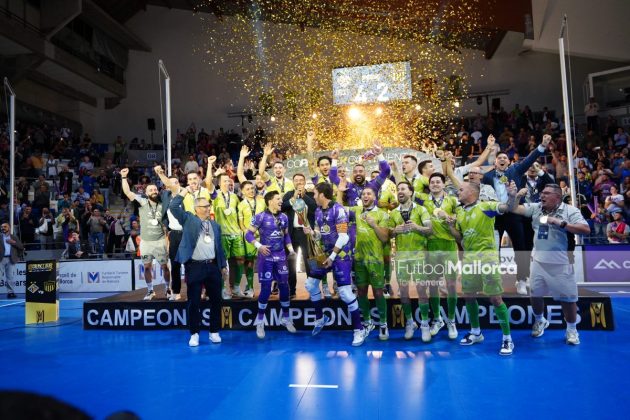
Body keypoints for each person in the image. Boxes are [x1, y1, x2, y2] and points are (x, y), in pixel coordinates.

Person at [508, 183, 591, 345]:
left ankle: (572, 329)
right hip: (538, 261)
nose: (542, 196)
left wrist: (560, 223)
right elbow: (513, 209)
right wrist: (515, 197)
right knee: (535, 295)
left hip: (561, 262)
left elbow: (585, 229)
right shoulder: (536, 207)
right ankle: (540, 320)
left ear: (557, 197)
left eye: (546, 193)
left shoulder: (570, 211)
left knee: (568, 299)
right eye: (542, 193)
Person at [446, 181, 515, 355]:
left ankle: (507, 338)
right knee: (468, 296)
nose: (458, 192)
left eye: (461, 189)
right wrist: (451, 227)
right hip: (469, 259)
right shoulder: (459, 211)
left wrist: (512, 196)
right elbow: (460, 238)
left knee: (495, 298)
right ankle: (476, 332)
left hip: (487, 258)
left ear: (472, 192)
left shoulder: (486, 206)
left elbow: (506, 207)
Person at [482, 133, 552, 295]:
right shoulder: (487, 177)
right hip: (495, 217)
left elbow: (529, 159)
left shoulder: (515, 170)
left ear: (509, 161)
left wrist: (542, 145)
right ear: (495, 162)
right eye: (499, 158)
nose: (502, 159)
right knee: (494, 251)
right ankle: (494, 280)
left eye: (505, 158)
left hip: (514, 214)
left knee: (521, 249)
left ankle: (521, 280)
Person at [303, 182, 368, 346]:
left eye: (315, 193)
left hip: (340, 255)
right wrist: (312, 232)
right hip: (325, 254)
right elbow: (320, 234)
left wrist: (332, 257)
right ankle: (320, 318)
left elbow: (344, 237)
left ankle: (359, 329)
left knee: (345, 293)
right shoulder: (318, 210)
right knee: (310, 284)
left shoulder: (338, 210)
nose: (313, 196)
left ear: (322, 194)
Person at [169, 188, 227, 347]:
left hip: (213, 267)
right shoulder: (188, 219)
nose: (208, 208)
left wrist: (223, 266)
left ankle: (214, 332)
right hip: (195, 266)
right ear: (197, 209)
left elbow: (219, 247)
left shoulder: (215, 225)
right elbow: (173, 206)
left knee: (216, 301)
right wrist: (184, 191)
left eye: (209, 206)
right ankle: (194, 333)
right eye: (205, 206)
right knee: (194, 302)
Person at [245, 191, 297, 339]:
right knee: (266, 289)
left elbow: (286, 235)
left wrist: (291, 250)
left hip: (281, 256)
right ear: (270, 201)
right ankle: (260, 320)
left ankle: (285, 318)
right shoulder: (260, 217)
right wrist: (259, 246)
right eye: (278, 199)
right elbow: (248, 234)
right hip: (266, 257)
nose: (281, 201)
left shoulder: (284, 217)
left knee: (284, 286)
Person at [414, 173, 459, 341]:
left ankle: (452, 320)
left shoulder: (452, 200)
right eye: (432, 182)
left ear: (444, 184)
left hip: (449, 245)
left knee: (451, 285)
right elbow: (406, 190)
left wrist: (448, 217)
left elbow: (460, 216)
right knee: (433, 285)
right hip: (431, 246)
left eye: (438, 182)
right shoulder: (423, 200)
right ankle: (438, 319)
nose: (435, 184)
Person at [387, 181, 434, 340]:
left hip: (419, 256)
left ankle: (425, 324)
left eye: (403, 189)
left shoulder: (421, 209)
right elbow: (388, 234)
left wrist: (416, 227)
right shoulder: (393, 213)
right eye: (398, 189)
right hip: (401, 257)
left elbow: (430, 230)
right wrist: (395, 231)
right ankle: (409, 322)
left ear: (411, 192)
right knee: (403, 292)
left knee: (421, 290)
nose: (400, 191)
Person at [121, 168, 171, 300]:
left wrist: (161, 174)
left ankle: (168, 288)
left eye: (155, 189)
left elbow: (170, 187)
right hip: (146, 242)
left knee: (165, 267)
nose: (153, 191)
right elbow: (127, 192)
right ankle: (150, 291)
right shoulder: (142, 201)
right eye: (150, 190)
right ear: (146, 193)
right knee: (147, 267)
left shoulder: (163, 203)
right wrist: (124, 177)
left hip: (160, 240)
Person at [349, 186, 391, 340]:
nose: (365, 196)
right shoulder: (357, 210)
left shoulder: (382, 214)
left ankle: (383, 324)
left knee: (378, 292)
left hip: (375, 260)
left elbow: (385, 238)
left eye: (369, 194)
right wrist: (340, 190)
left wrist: (374, 224)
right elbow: (339, 208)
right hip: (359, 259)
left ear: (374, 197)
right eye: (363, 194)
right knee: (361, 291)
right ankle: (367, 322)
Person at [208, 172, 245, 299]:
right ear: (219, 183)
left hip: (236, 233)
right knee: (222, 264)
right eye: (224, 180)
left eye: (229, 180)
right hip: (222, 234)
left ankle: (235, 287)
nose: (227, 182)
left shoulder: (235, 197)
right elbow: (208, 184)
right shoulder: (215, 196)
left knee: (239, 260)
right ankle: (222, 289)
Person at [282, 173, 317, 299]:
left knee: (309, 262)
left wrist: (304, 196)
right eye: (296, 180)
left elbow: (314, 207)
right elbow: (282, 207)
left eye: (301, 180)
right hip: (292, 233)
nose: (298, 182)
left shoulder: (311, 195)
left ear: (305, 181)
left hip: (306, 233)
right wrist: (293, 198)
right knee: (291, 262)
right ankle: (292, 290)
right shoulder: (288, 194)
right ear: (293, 182)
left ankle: (312, 290)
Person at [155, 166, 184, 300]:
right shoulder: (166, 196)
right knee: (175, 265)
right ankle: (176, 292)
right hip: (174, 234)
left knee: (191, 264)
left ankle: (197, 291)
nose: (173, 185)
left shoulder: (184, 194)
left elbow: (170, 184)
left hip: (187, 233)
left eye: (176, 182)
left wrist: (160, 173)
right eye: (171, 183)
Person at [238, 180, 266, 298]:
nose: (251, 191)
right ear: (242, 191)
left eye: (252, 188)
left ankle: (266, 287)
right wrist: (248, 234)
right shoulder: (241, 205)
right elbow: (241, 223)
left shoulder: (262, 201)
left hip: (263, 237)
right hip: (250, 238)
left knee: (265, 262)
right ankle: (250, 287)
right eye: (248, 189)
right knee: (249, 262)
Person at [0, 223, 23, 298]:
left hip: (11, 259)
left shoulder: (14, 237)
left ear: (9, 228)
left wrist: (13, 242)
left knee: (10, 277)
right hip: (1, 259)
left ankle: (10, 292)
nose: (3, 228)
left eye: (5, 226)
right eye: (2, 227)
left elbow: (21, 247)